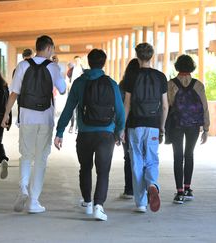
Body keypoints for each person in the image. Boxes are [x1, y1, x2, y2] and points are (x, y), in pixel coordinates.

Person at [54, 49, 125, 221]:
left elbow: (68, 108)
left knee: (85, 168)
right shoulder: (111, 83)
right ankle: (98, 206)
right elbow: (120, 111)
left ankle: (87, 203)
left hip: (85, 134)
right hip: (106, 134)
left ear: (89, 63)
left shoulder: (79, 83)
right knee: (103, 171)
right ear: (103, 63)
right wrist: (118, 132)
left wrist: (60, 131)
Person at [1, 35, 66, 214]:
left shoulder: (23, 65)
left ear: (37, 47)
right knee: (41, 159)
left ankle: (22, 188)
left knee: (26, 155)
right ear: (49, 48)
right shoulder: (53, 67)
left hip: (26, 117)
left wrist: (6, 114)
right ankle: (33, 201)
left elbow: (14, 93)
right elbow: (62, 89)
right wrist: (57, 68)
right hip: (45, 119)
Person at [122, 43, 168, 213]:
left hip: (135, 124)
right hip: (153, 124)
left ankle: (141, 203)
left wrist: (121, 128)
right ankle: (152, 184)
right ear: (152, 56)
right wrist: (162, 126)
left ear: (137, 56)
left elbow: (127, 104)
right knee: (151, 159)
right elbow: (164, 106)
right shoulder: (160, 77)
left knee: (136, 161)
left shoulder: (131, 77)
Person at [167, 55, 210, 204]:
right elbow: (204, 106)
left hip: (176, 123)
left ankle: (179, 192)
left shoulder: (171, 84)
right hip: (193, 124)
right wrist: (206, 128)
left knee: (177, 156)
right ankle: (188, 188)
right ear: (192, 67)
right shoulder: (198, 85)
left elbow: (168, 105)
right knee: (189, 155)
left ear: (177, 66)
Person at [119, 58, 139, 199]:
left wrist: (119, 127)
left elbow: (120, 107)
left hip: (128, 124)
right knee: (143, 156)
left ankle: (129, 190)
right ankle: (143, 189)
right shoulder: (147, 83)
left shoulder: (123, 85)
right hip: (146, 122)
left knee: (128, 157)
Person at [68, 56, 84, 134]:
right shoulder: (71, 70)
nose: (77, 62)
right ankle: (71, 125)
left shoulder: (83, 71)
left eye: (78, 60)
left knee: (79, 110)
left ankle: (77, 127)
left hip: (81, 92)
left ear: (80, 61)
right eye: (76, 60)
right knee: (71, 109)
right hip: (72, 91)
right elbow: (68, 79)